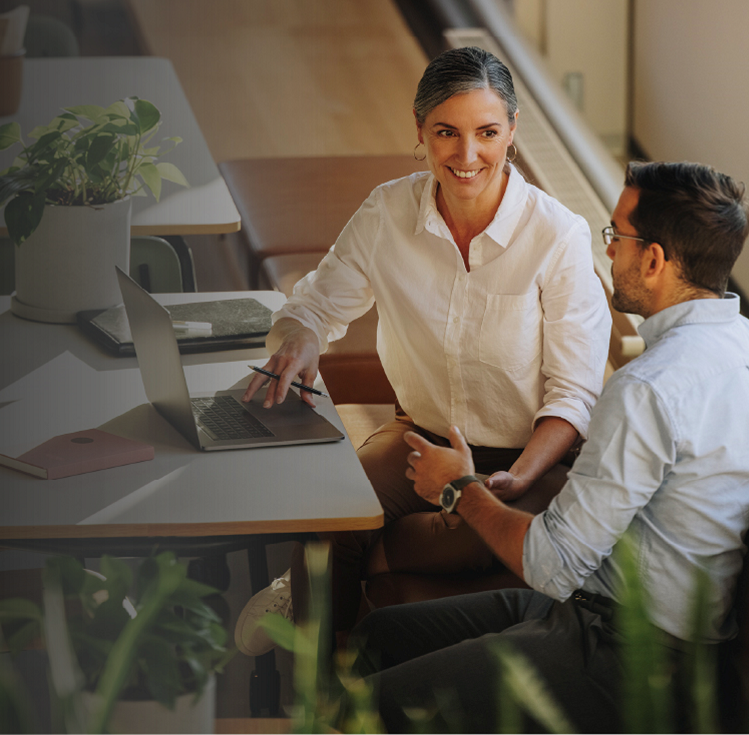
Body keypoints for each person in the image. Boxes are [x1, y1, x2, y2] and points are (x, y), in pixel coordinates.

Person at [347, 161, 749, 731]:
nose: (608, 252)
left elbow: (551, 562)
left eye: (616, 237)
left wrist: (459, 487)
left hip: (628, 657)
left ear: (655, 260)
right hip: (598, 611)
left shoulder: (646, 389)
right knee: (376, 637)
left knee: (367, 705)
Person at [234, 46, 610, 654]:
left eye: (487, 132)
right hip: (421, 439)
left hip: (530, 457)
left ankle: (361, 559)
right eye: (446, 132)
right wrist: (301, 340)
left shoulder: (557, 236)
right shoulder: (387, 212)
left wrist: (511, 480)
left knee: (479, 532)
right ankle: (319, 692)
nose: (467, 156)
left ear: (512, 132)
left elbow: (573, 395)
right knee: (328, 509)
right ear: (420, 131)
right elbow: (315, 306)